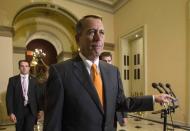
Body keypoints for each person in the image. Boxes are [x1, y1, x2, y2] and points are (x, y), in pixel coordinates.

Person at [43, 15, 174, 131]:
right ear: (78, 39)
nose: (98, 38)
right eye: (91, 32)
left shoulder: (113, 71)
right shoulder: (61, 72)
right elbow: (52, 122)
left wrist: (153, 98)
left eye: (101, 32)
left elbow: (121, 103)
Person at [6, 60, 42, 131]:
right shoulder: (12, 80)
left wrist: (40, 109)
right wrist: (11, 112)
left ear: (29, 68)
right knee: (19, 129)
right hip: (18, 110)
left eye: (26, 66)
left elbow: (38, 96)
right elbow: (9, 97)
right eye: (22, 66)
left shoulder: (35, 80)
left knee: (29, 129)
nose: (24, 68)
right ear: (19, 67)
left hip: (31, 110)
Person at [100, 51, 128, 126]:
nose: (107, 63)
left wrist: (124, 115)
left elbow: (121, 94)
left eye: (109, 61)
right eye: (104, 61)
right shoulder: (96, 73)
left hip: (112, 114)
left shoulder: (115, 71)